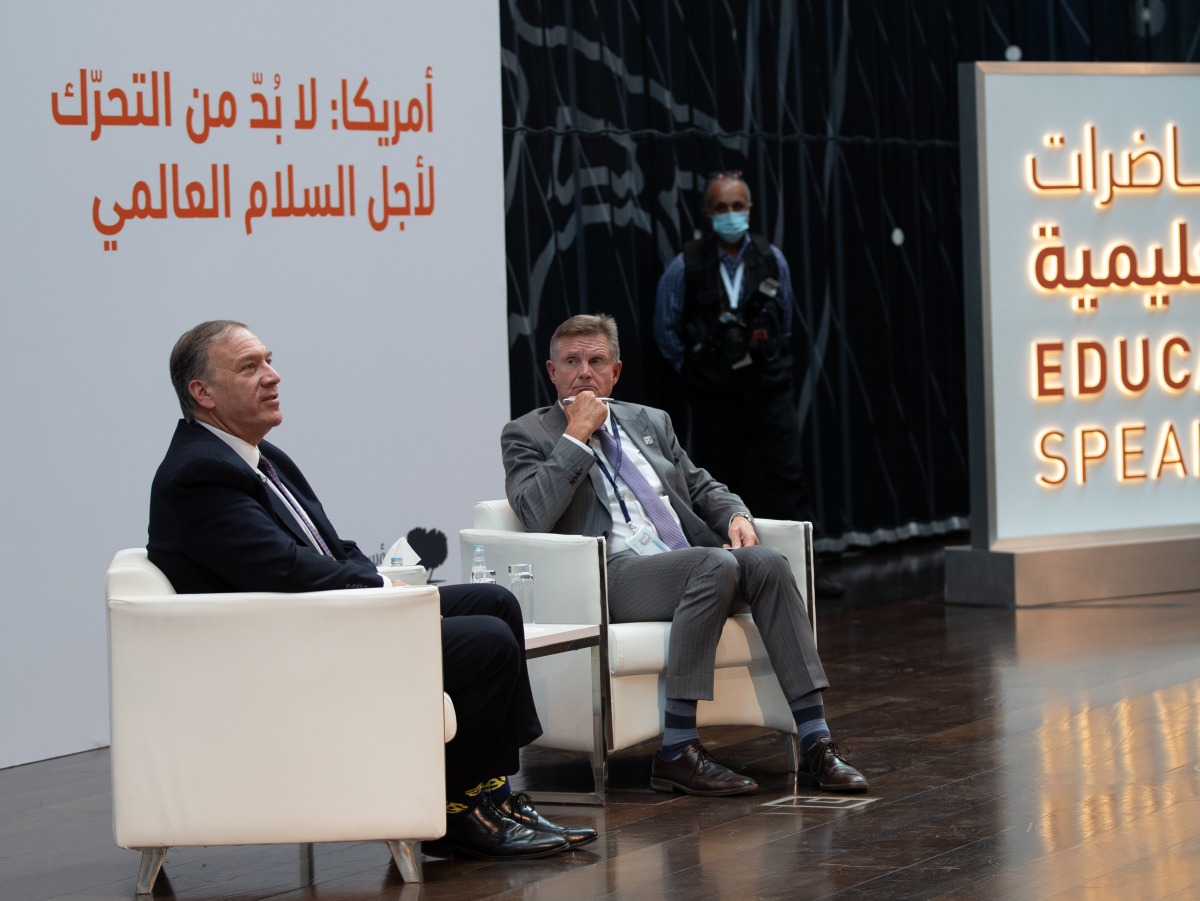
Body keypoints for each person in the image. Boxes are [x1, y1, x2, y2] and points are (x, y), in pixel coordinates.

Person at [147, 320, 596, 861]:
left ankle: (492, 794)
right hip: (283, 650)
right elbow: (283, 570)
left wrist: (381, 587)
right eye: (250, 367)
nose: (272, 376)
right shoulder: (198, 473)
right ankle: (457, 812)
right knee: (485, 641)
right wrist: (385, 594)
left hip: (323, 617)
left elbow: (332, 546)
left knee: (495, 603)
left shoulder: (260, 457)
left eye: (268, 360)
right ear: (202, 392)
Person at [500, 314, 867, 796]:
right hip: (612, 575)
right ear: (552, 371)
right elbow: (533, 512)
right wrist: (576, 437)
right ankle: (676, 749)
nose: (584, 372)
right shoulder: (527, 433)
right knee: (712, 563)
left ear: (616, 371)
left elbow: (700, 485)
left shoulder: (649, 421)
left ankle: (816, 741)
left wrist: (736, 516)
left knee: (769, 563)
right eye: (571, 362)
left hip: (687, 563)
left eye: (596, 361)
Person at [654, 171, 843, 597]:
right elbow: (665, 331)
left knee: (789, 483)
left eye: (737, 206)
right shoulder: (686, 264)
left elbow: (786, 322)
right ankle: (726, 578)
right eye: (721, 207)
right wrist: (699, 372)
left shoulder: (771, 258)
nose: (731, 214)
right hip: (715, 396)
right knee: (716, 486)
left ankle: (807, 575)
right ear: (707, 212)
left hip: (769, 389)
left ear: (750, 208)